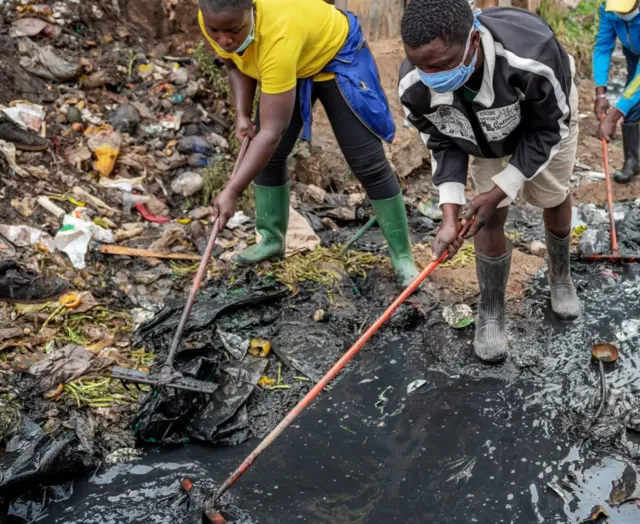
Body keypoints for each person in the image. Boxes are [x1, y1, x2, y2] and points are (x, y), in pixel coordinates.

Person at [399, 0, 581, 363]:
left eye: (440, 65)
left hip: (543, 123)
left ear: (474, 40)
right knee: (488, 213)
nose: (430, 76)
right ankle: (491, 309)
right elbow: (443, 141)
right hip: (480, 136)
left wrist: (504, 185)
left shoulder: (533, 56)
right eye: (420, 65)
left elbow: (550, 129)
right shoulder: (415, 85)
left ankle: (560, 277)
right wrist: (450, 214)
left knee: (552, 195)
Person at [198, 0, 419, 286]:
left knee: (367, 163)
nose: (224, 39)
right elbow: (235, 64)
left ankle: (403, 257)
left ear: (252, 9)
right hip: (295, 58)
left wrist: (232, 191)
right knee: (271, 156)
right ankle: (271, 240)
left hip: (336, 54)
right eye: (215, 31)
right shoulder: (214, 17)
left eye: (234, 31)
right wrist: (242, 115)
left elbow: (271, 132)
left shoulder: (278, 34)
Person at [594, 0, 640, 183]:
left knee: (631, 96)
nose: (621, 15)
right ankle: (633, 160)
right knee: (632, 101)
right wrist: (600, 93)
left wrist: (613, 116)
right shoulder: (608, 10)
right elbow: (603, 48)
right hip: (634, 53)